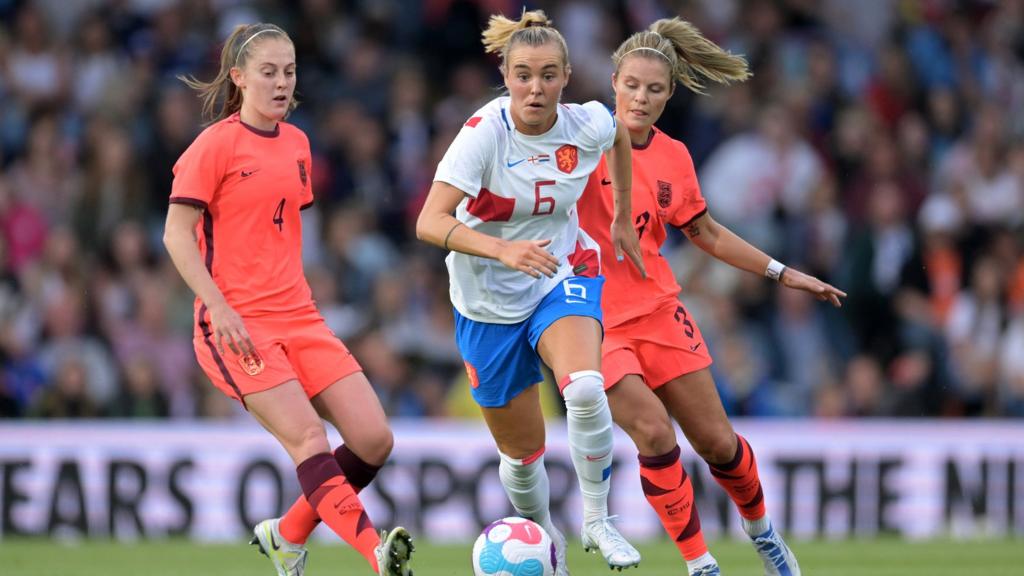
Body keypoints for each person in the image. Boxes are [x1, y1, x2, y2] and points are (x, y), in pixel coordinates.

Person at [576, 18, 847, 576]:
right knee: (653, 431)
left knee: (719, 444)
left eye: (654, 89)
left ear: (671, 93)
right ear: (612, 81)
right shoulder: (578, 135)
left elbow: (707, 233)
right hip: (589, 319)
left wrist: (783, 272)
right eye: (631, 85)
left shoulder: (674, 156)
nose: (641, 98)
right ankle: (700, 563)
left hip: (657, 309)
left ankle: (762, 532)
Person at [162, 23, 413, 576]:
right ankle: (377, 553)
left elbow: (276, 235)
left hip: (300, 316)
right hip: (237, 324)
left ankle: (287, 534)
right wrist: (219, 305)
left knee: (374, 439)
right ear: (239, 78)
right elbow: (176, 234)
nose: (281, 83)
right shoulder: (214, 144)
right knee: (309, 437)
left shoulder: (298, 144)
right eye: (269, 72)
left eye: (290, 71)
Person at [415, 10, 646, 574]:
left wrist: (618, 213)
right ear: (505, 74)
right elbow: (428, 221)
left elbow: (618, 136)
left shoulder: (586, 122)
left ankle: (598, 519)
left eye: (547, 75)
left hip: (561, 273)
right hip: (486, 303)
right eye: (523, 75)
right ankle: (545, 544)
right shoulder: (482, 136)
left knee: (586, 389)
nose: (535, 88)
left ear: (567, 76)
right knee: (521, 457)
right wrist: (501, 250)